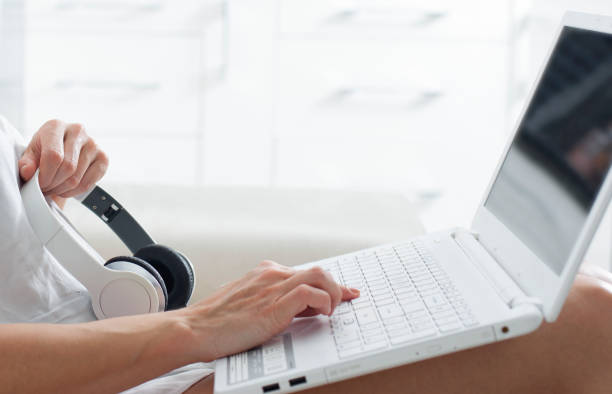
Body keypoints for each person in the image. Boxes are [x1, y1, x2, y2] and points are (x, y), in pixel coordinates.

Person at [1, 117, 612, 394]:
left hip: (123, 362)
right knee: (584, 323)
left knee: (567, 294)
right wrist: (196, 326)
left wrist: (37, 175)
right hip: (112, 373)